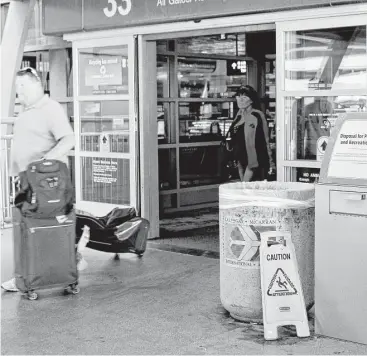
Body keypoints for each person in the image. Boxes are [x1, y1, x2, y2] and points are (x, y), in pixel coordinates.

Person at [1, 67, 76, 292]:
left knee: (36, 229)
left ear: (36, 85)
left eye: (22, 86)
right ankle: (26, 276)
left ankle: (38, 275)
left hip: (41, 186)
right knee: (26, 229)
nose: (19, 92)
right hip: (25, 182)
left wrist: (43, 161)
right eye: (17, 88)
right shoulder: (26, 111)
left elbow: (68, 139)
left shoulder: (50, 109)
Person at [227, 85, 274, 181]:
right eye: (238, 97)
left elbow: (266, 139)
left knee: (245, 184)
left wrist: (271, 162)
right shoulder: (239, 115)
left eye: (244, 97)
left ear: (251, 100)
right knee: (244, 185)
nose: (240, 100)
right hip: (240, 156)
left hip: (253, 157)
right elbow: (232, 133)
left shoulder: (257, 115)